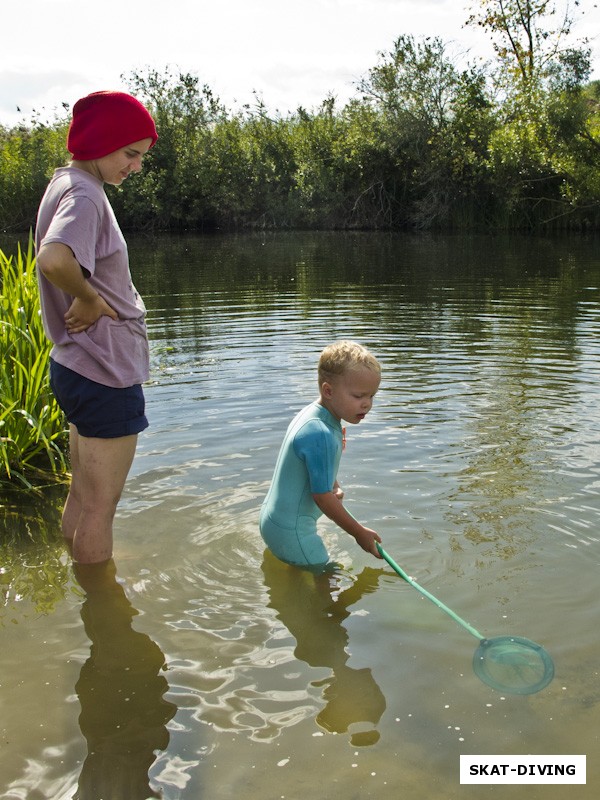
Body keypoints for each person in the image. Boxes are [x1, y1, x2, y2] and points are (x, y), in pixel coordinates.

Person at [35, 91, 158, 564]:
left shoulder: (65, 183)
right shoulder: (85, 194)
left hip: (75, 364)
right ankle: (105, 614)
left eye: (141, 156)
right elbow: (54, 257)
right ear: (100, 141)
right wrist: (89, 297)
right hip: (105, 370)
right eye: (131, 153)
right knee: (101, 508)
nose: (136, 166)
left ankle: (80, 583)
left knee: (83, 496)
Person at [259, 340, 383, 569]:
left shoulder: (312, 415)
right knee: (328, 581)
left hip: (275, 521)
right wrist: (359, 533)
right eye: (358, 396)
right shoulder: (322, 434)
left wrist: (332, 484)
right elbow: (321, 497)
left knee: (299, 574)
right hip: (292, 532)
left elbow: (313, 465)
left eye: (371, 396)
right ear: (328, 391)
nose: (367, 404)